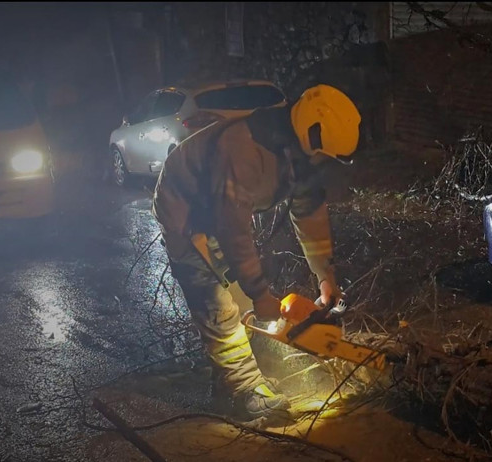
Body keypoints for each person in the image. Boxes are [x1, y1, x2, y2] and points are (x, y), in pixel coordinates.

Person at [152, 84, 361, 420]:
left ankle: (229, 378)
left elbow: (310, 215)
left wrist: (326, 276)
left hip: (222, 208)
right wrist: (261, 294)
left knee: (244, 295)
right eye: (324, 154)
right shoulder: (243, 149)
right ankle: (243, 390)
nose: (323, 161)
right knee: (219, 305)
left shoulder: (299, 155)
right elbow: (232, 228)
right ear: (312, 135)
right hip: (186, 212)